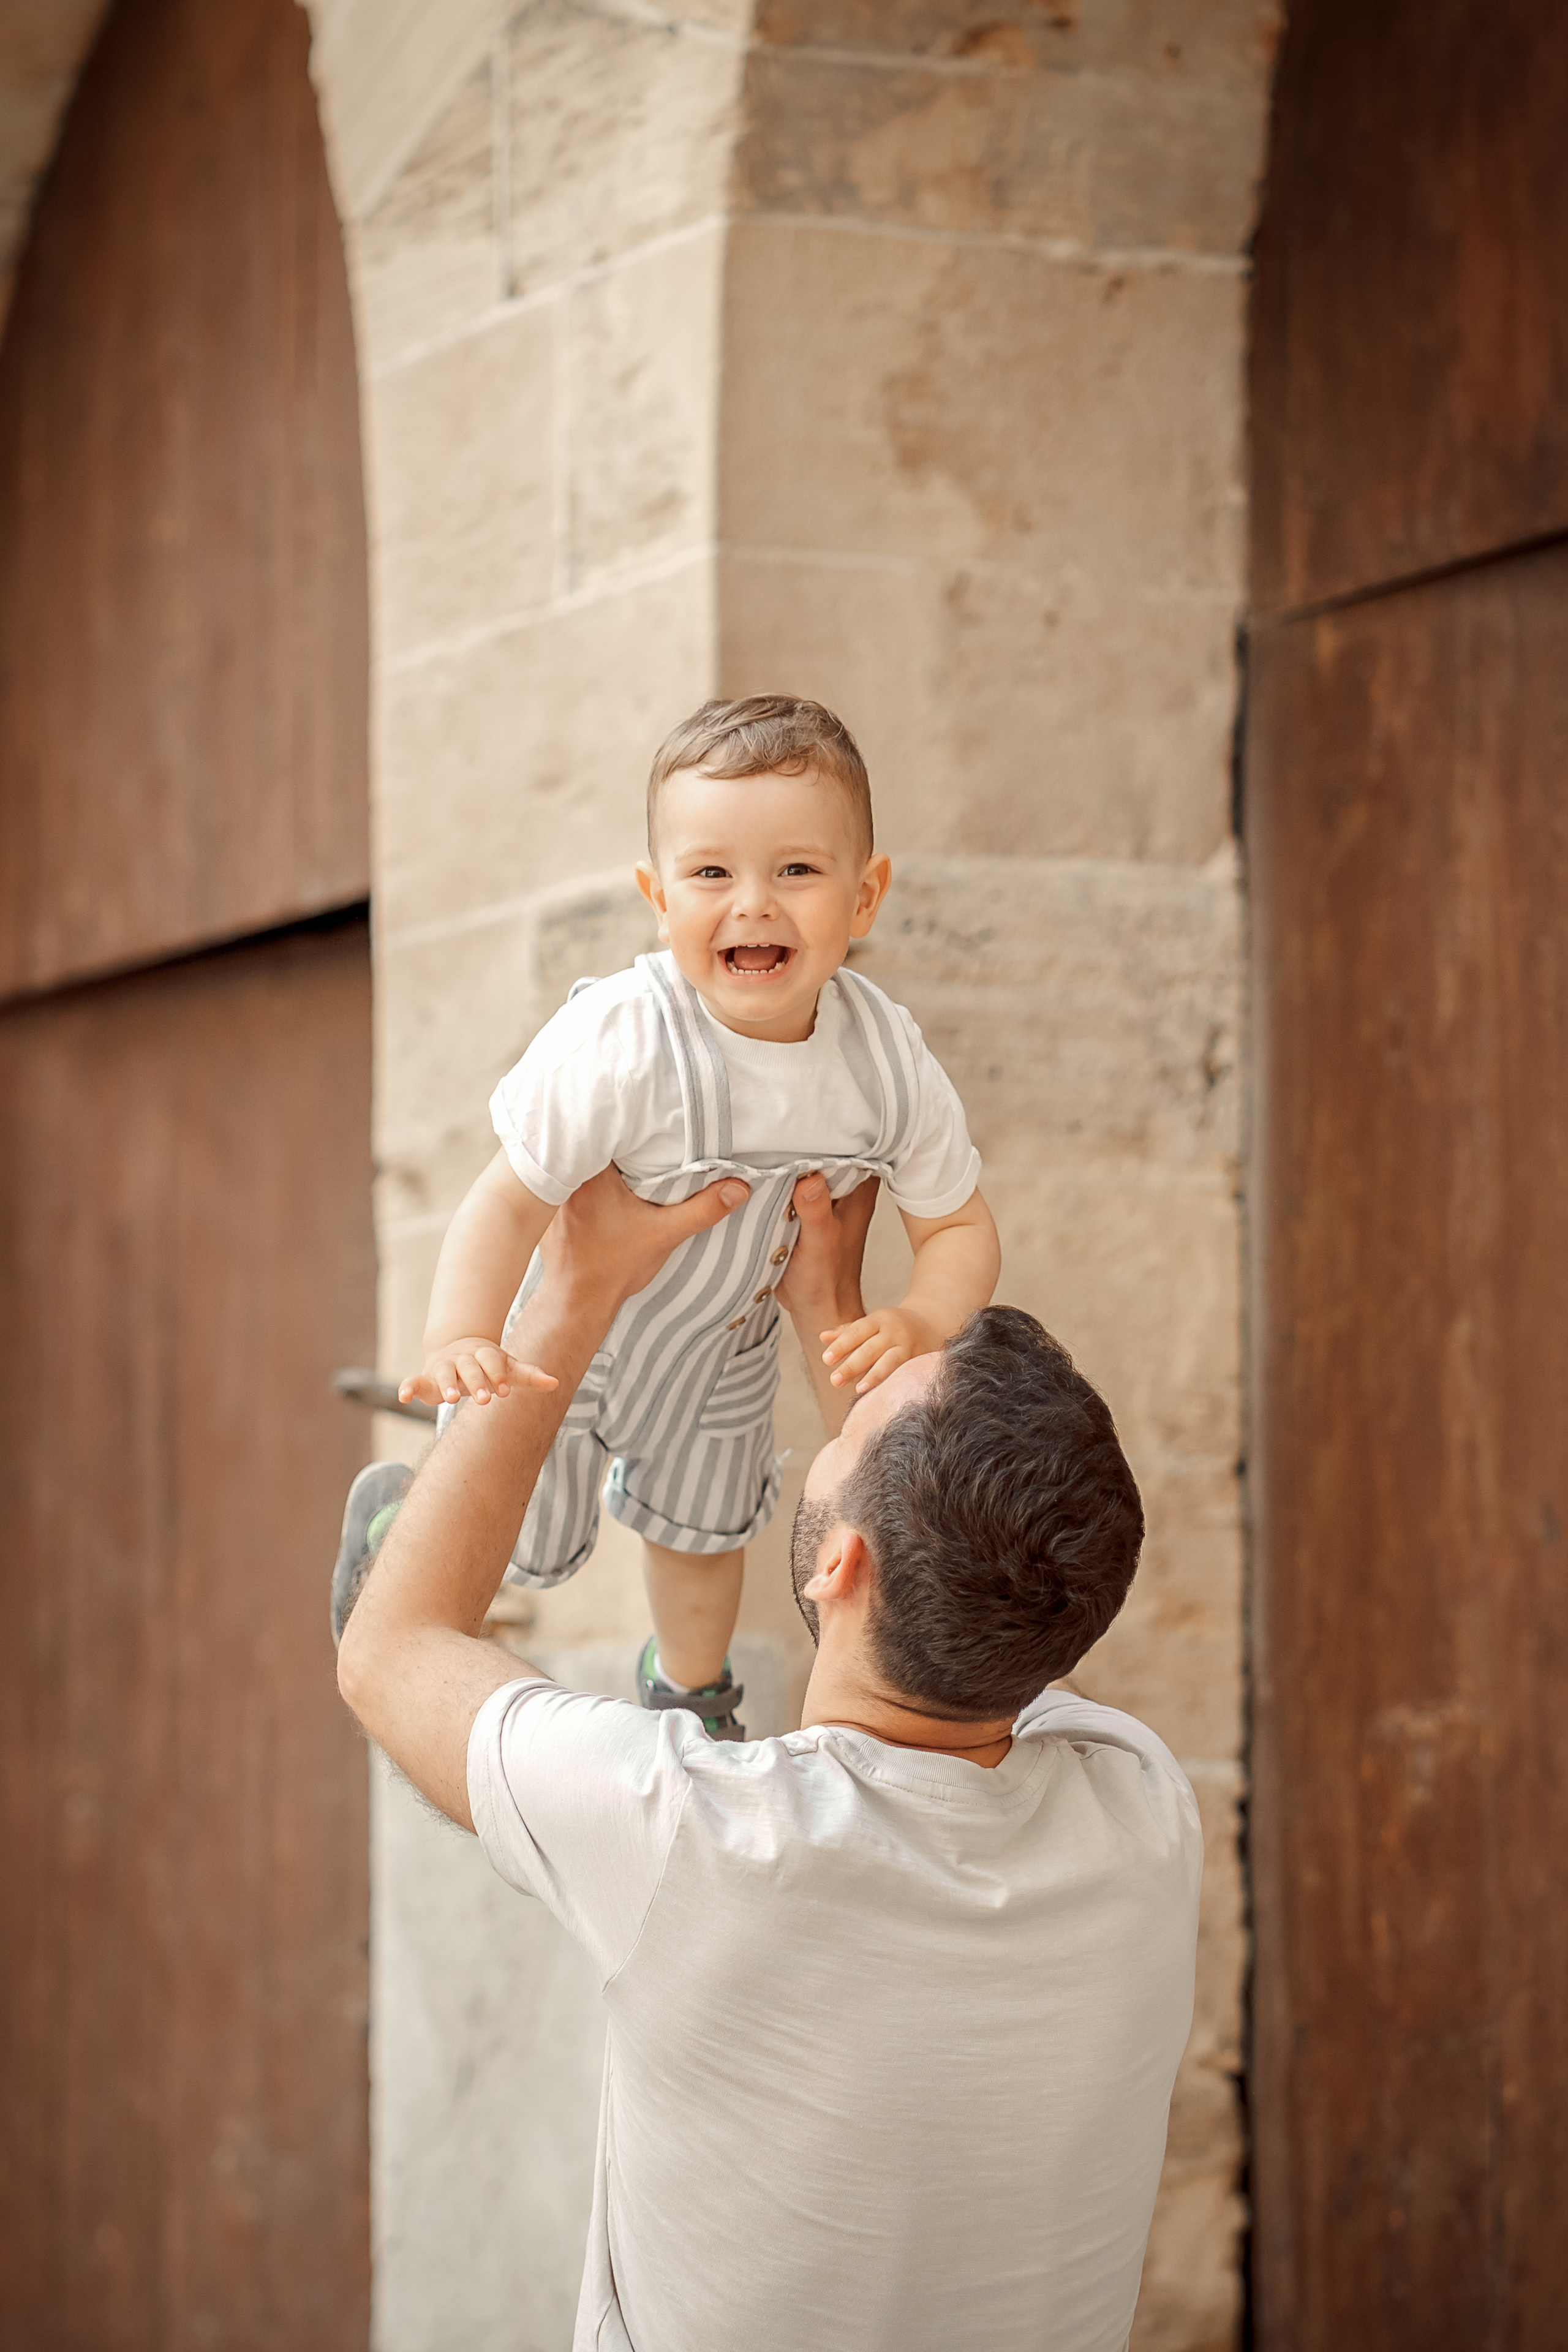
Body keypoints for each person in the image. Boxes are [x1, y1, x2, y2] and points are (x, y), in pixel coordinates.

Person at [335, 1163, 1203, 2352]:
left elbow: (391, 1651)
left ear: (840, 1564)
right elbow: (981, 1581)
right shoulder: (1140, 1810)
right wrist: (827, 1309)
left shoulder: (701, 1840)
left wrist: (571, 1289)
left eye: (854, 1425)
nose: (842, 1418)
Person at [370, 695, 1000, 1738]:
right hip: (567, 1350)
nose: (753, 904)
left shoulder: (882, 1060)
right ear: (658, 900)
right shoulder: (623, 1041)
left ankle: (692, 1697)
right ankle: (391, 1537)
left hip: (722, 1348)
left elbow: (959, 1227)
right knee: (512, 1533)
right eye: (711, 874)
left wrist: (924, 1317)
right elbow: (508, 1200)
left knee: (707, 1535)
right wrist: (461, 1334)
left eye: (795, 870)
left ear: (865, 896)